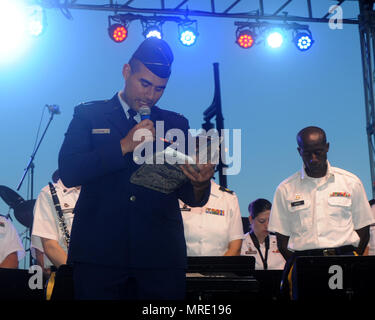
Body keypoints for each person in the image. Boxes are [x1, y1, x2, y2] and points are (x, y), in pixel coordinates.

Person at [58, 38, 214, 300]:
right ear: (126, 71)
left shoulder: (175, 123)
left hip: (160, 260)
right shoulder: (90, 115)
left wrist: (199, 183)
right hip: (99, 257)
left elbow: (190, 196)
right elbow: (70, 171)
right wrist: (123, 145)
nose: (150, 95)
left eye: (159, 89)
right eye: (145, 83)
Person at [268, 126, 375, 299]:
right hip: (304, 263)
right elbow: (282, 241)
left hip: (344, 261)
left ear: (327, 147)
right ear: (299, 151)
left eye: (318, 152)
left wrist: (348, 258)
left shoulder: (350, 182)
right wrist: (303, 260)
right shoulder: (285, 189)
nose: (313, 159)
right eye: (307, 153)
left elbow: (363, 231)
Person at [31, 171, 80, 277]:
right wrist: (78, 276)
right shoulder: (48, 193)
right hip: (67, 275)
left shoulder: (99, 191)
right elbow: (50, 247)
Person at [180, 179, 243, 256]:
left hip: (221, 266)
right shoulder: (174, 194)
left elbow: (235, 247)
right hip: (179, 266)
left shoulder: (228, 197)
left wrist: (217, 267)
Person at [241, 198, 285, 270]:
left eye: (270, 220)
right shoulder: (241, 244)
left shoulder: (280, 243)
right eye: (262, 221)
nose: (267, 225)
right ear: (250, 219)